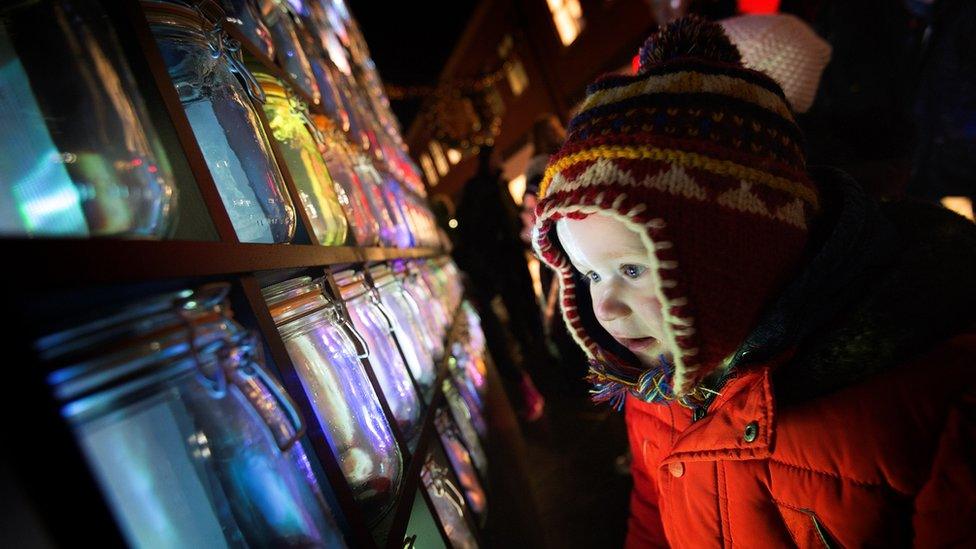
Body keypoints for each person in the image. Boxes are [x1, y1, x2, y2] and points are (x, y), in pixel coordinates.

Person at [531, 16, 976, 546]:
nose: (606, 307)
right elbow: (652, 510)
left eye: (633, 269)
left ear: (737, 253)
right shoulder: (654, 384)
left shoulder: (932, 398)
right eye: (589, 274)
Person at [454, 144, 547, 420]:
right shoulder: (478, 189)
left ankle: (541, 356)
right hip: (501, 266)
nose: (500, 159)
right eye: (495, 156)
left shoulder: (499, 185)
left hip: (513, 262)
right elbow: (474, 229)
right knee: (517, 317)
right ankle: (537, 365)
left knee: (528, 311)